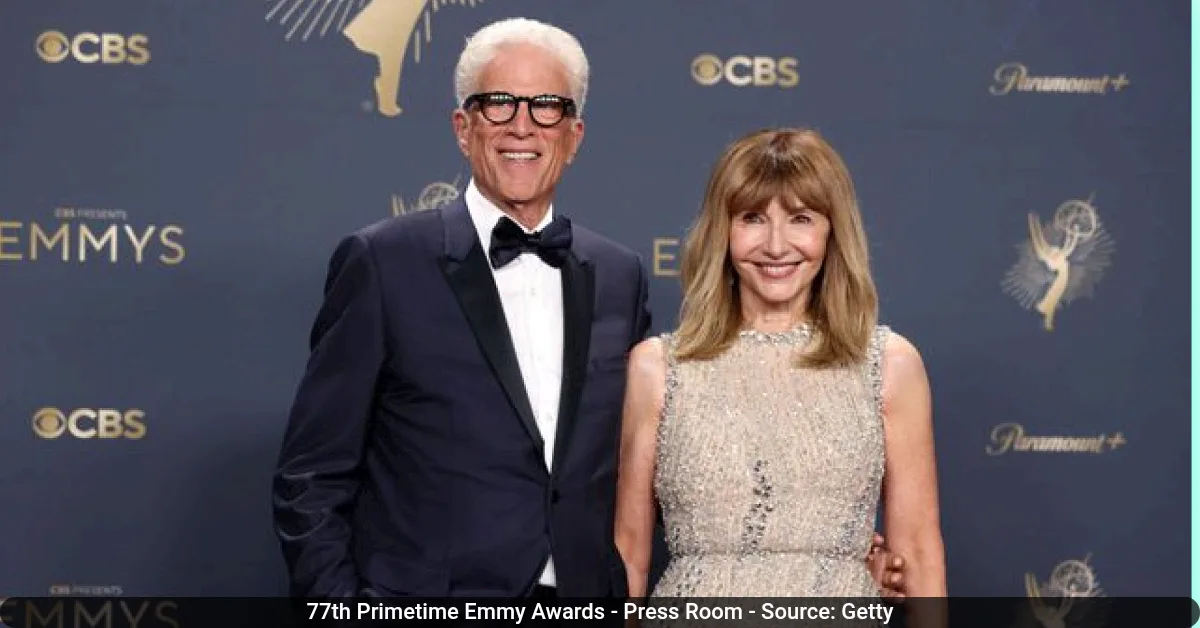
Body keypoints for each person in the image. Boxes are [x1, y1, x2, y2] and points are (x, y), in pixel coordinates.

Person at [272, 17, 909, 599]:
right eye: (499, 104)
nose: (522, 126)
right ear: (462, 127)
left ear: (574, 136)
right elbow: (312, 477)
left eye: (547, 108)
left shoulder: (617, 276)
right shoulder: (383, 262)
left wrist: (836, 558)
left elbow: (665, 468)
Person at [614, 128, 946, 601]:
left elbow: (917, 553)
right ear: (722, 232)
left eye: (800, 218)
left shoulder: (889, 365)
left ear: (832, 232)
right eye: (751, 218)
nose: (775, 245)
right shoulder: (659, 368)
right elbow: (628, 557)